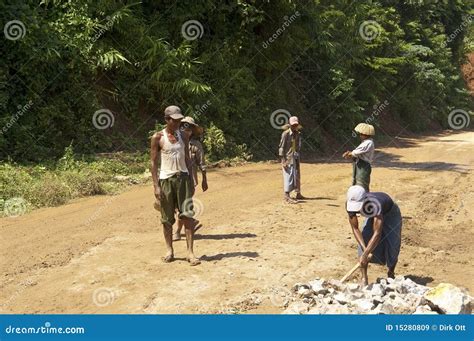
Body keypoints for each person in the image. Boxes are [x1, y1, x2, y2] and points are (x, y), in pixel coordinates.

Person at [150, 105, 201, 266]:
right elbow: (153, 162)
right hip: (166, 180)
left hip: (183, 179)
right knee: (166, 219)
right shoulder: (158, 137)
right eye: (175, 120)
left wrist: (192, 178)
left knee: (187, 216)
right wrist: (156, 186)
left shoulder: (184, 136)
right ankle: (169, 250)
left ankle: (190, 253)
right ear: (167, 120)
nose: (178, 122)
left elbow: (187, 158)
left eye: (180, 119)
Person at [346, 185, 402, 285]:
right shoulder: (349, 205)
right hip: (372, 214)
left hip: (390, 212)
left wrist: (367, 253)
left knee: (393, 244)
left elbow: (377, 233)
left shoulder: (374, 203)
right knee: (364, 242)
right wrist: (365, 251)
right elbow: (355, 228)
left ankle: (391, 273)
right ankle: (364, 278)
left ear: (364, 200)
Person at [173, 116, 208, 241]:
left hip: (189, 181)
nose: (186, 130)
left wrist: (204, 180)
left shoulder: (196, 145)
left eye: (189, 128)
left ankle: (177, 231)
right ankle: (190, 222)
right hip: (174, 179)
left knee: (183, 206)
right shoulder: (174, 142)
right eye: (183, 127)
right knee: (175, 206)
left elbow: (201, 163)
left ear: (192, 131)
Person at [278, 116, 304, 203]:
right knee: (288, 176)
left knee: (297, 175)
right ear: (290, 125)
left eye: (296, 125)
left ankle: (298, 193)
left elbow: (297, 147)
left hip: (295, 157)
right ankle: (287, 195)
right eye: (293, 125)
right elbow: (281, 147)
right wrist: (283, 160)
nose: (295, 126)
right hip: (288, 158)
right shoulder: (285, 134)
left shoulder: (298, 134)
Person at [342, 123, 375, 191]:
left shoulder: (368, 142)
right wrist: (350, 154)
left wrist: (349, 154)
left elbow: (356, 152)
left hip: (363, 166)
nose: (360, 135)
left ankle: (364, 200)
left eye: (361, 134)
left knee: (362, 185)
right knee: (358, 184)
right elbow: (357, 153)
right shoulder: (366, 142)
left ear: (365, 134)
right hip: (360, 165)